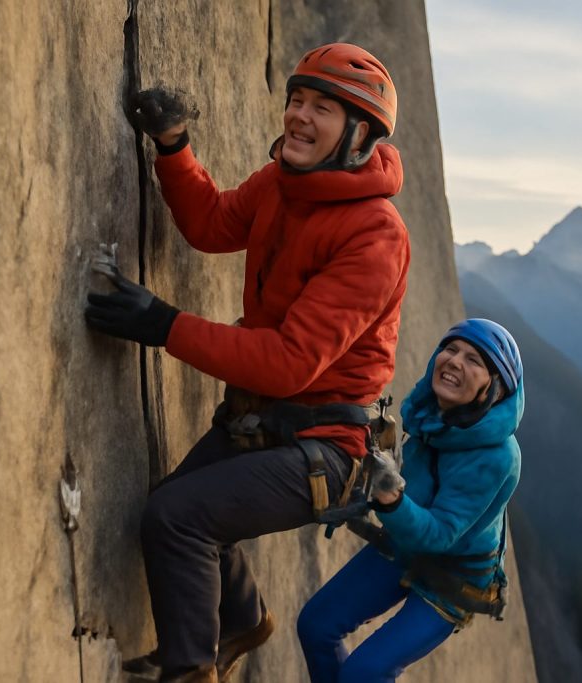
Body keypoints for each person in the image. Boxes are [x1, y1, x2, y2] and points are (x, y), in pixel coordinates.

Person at [84, 43, 409, 683]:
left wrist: (166, 326)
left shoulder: (376, 235)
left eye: (322, 108)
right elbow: (211, 225)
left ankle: (189, 672)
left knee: (177, 519)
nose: (299, 117)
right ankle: (242, 622)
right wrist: (174, 147)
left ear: (361, 133)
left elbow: (289, 362)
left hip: (326, 445)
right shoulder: (283, 183)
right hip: (266, 420)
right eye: (296, 100)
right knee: (183, 504)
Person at [297, 318, 524, 682]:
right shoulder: (428, 413)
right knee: (316, 625)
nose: (454, 361)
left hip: (454, 578)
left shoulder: (498, 458)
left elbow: (440, 533)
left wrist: (389, 497)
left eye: (474, 360)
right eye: (450, 349)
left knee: (364, 672)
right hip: (407, 540)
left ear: (494, 390)